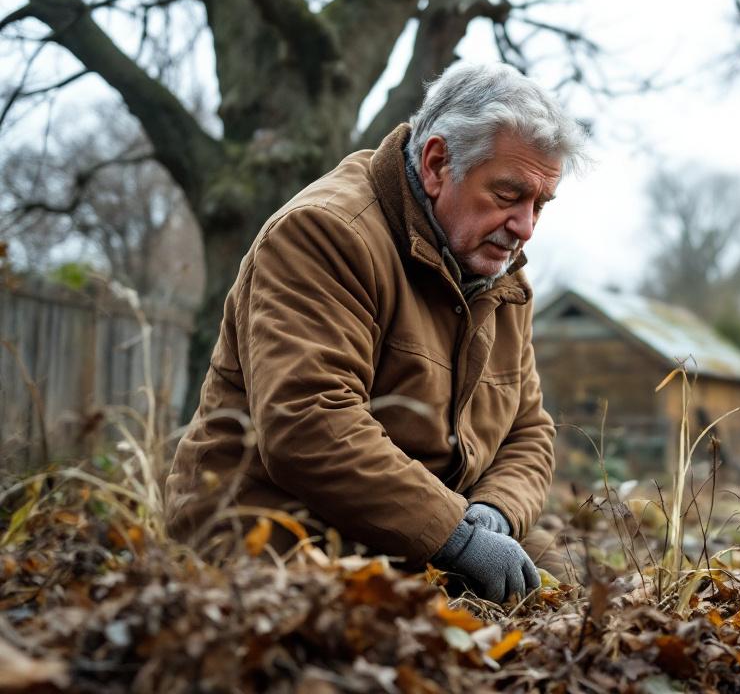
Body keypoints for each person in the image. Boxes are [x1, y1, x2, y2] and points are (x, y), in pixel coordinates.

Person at [165, 62, 587, 604]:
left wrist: (495, 513)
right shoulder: (324, 234)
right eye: (508, 195)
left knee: (568, 588)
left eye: (539, 205)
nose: (525, 227)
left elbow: (528, 431)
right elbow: (308, 421)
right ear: (437, 164)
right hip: (286, 530)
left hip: (423, 532)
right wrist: (456, 536)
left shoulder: (501, 274)